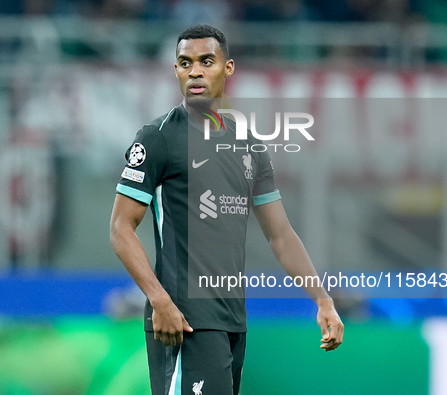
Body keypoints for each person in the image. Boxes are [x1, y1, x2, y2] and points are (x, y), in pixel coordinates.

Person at [110, 24, 343, 395]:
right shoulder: (159, 138)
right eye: (185, 63)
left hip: (233, 321)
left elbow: (280, 235)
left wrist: (322, 298)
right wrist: (160, 301)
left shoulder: (247, 145)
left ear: (228, 68)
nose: (196, 71)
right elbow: (121, 228)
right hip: (183, 319)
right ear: (176, 71)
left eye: (206, 61)